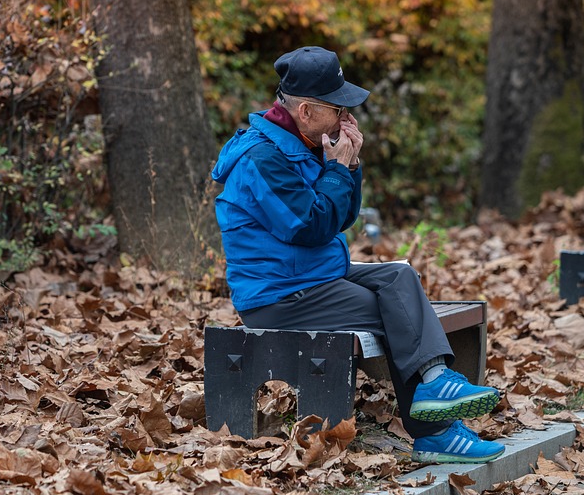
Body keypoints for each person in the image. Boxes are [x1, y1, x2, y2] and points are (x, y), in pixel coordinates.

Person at [210, 46, 504, 464]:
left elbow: (341, 217)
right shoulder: (261, 158)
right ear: (307, 110)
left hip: (315, 276)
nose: (349, 117)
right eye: (339, 108)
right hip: (279, 297)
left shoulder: (303, 140)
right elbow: (311, 226)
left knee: (399, 278)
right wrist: (337, 170)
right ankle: (433, 429)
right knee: (393, 310)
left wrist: (349, 166)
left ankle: (435, 383)